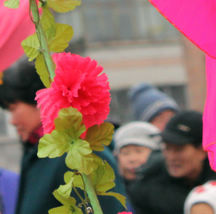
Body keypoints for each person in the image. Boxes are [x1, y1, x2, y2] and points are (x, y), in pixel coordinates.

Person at [0, 58, 126, 214]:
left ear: (37, 100)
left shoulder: (80, 153)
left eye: (13, 108)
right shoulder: (37, 152)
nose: (12, 121)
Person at [128, 109, 216, 214]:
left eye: (178, 149)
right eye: (167, 148)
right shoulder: (148, 184)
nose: (171, 157)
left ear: (203, 151)